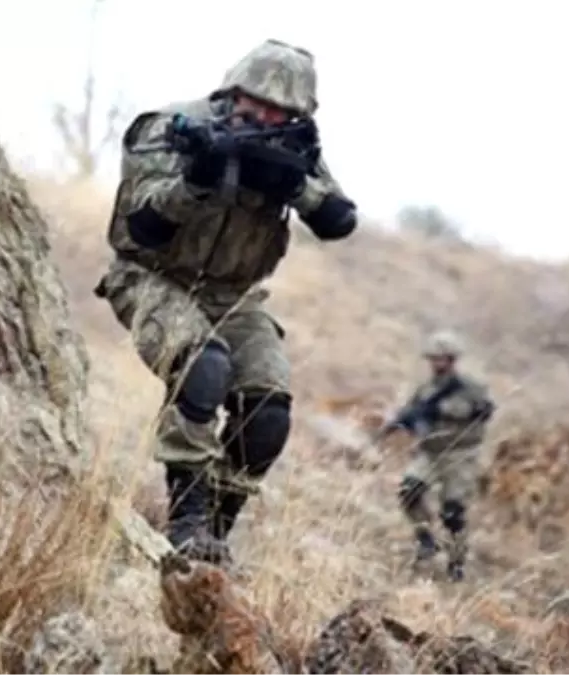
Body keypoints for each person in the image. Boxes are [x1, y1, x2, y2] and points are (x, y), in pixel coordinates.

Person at [93, 39, 359, 564]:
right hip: (151, 277)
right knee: (203, 367)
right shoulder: (170, 127)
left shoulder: (296, 147)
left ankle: (216, 528)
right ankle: (186, 517)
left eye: (279, 111)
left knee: (268, 409)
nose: (264, 116)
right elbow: (141, 229)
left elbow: (340, 220)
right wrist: (197, 181)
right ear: (232, 92)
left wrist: (295, 186)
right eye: (255, 103)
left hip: (234, 296)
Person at [374, 330, 496, 581]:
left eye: (442, 359)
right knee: (409, 490)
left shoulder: (470, 388)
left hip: (460, 455)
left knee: (453, 511)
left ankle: (456, 561)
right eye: (433, 359)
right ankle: (425, 538)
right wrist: (397, 425)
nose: (436, 363)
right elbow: (410, 412)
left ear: (452, 360)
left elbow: (484, 411)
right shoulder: (426, 389)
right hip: (430, 453)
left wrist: (451, 410)